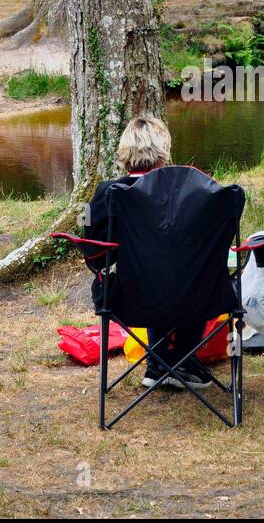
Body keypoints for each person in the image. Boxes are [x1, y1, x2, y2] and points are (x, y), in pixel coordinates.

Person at [81, 115, 210, 391]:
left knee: (148, 275)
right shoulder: (192, 190)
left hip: (129, 298)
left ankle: (159, 363)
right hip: (195, 296)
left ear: (125, 152)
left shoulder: (109, 193)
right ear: (164, 150)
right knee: (188, 274)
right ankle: (181, 361)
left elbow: (93, 254)